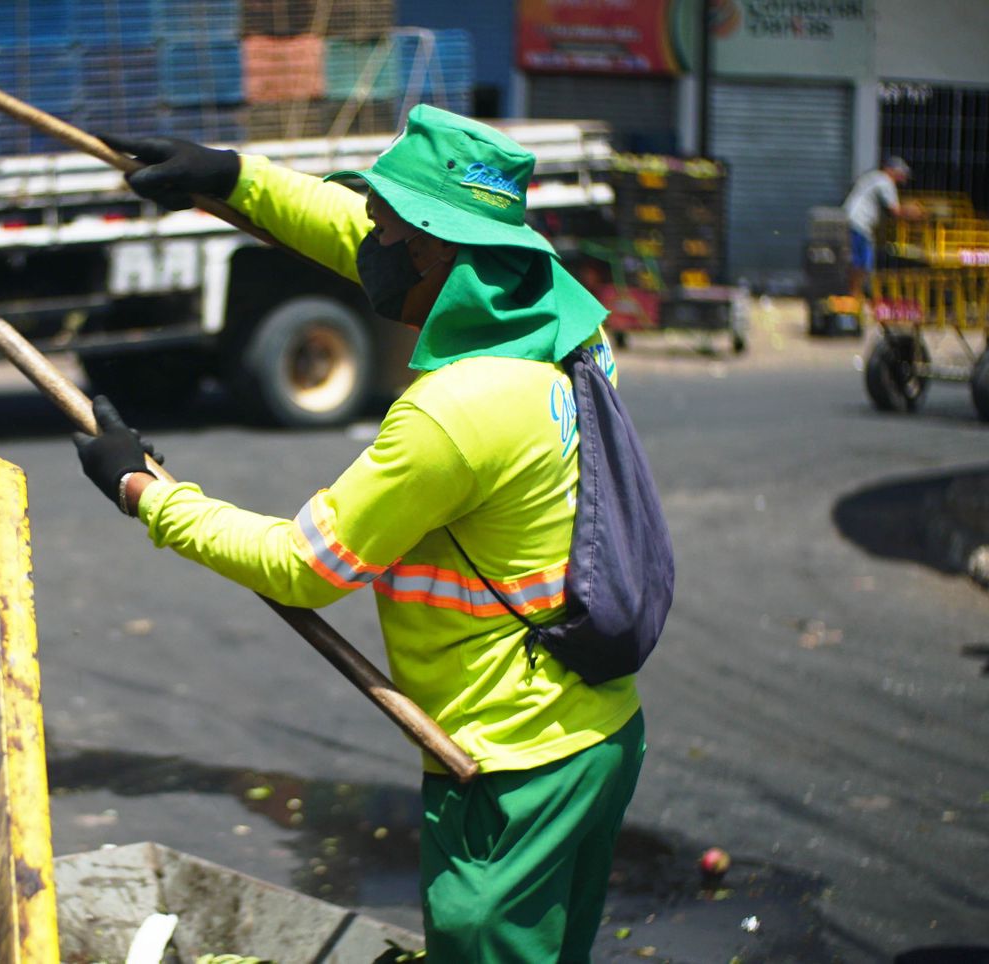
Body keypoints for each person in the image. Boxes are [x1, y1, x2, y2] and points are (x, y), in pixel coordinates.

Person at [76, 106, 647, 961]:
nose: (366, 239)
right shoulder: (560, 311)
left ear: (430, 249)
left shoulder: (453, 415)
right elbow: (355, 234)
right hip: (598, 732)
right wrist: (232, 177)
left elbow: (305, 567)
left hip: (507, 767)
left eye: (387, 226)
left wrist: (147, 492)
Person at [842, 156, 919, 297]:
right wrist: (913, 213)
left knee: (858, 261)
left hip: (852, 220)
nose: (902, 178)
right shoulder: (885, 181)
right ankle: (854, 295)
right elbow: (895, 210)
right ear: (892, 170)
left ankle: (854, 294)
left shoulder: (873, 177)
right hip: (860, 223)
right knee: (862, 262)